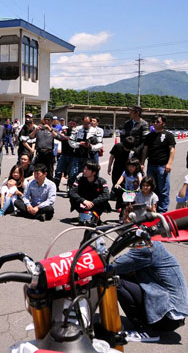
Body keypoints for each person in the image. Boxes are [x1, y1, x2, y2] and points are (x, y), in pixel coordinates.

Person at [113, 196, 188, 340]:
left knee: (114, 279)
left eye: (126, 221)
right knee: (125, 276)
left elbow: (114, 266)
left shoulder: (147, 247)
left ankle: (148, 331)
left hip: (169, 313)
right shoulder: (148, 242)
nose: (122, 223)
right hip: (172, 312)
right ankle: (146, 323)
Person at [141, 114, 175, 213]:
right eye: (153, 121)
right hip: (151, 165)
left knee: (163, 190)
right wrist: (142, 162)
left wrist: (169, 163)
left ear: (163, 123)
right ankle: (152, 209)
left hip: (162, 166)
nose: (155, 123)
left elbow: (172, 150)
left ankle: (163, 211)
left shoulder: (168, 135)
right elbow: (145, 149)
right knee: (151, 188)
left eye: (157, 122)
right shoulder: (150, 136)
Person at [68, 160, 111, 226]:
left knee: (104, 201)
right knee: (72, 198)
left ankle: (96, 216)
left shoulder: (101, 181)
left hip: (95, 204)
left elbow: (106, 195)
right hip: (83, 203)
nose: (84, 171)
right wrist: (83, 201)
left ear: (94, 172)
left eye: (87, 169)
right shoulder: (79, 180)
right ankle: (82, 214)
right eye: (84, 169)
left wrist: (93, 203)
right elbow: (72, 192)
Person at [68, 116, 103, 181]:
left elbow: (100, 144)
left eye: (88, 123)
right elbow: (70, 141)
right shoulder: (76, 129)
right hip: (78, 154)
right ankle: (71, 186)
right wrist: (79, 144)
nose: (86, 125)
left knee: (92, 172)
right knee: (73, 172)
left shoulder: (96, 131)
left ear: (90, 122)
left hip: (90, 155)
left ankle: (93, 186)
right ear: (82, 121)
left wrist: (91, 147)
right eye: (84, 123)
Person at [53, 118, 76, 190]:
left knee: (71, 173)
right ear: (68, 123)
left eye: (74, 123)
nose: (72, 124)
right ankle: (56, 187)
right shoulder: (64, 130)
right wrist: (65, 137)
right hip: (64, 154)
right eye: (70, 122)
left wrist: (65, 137)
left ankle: (69, 189)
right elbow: (59, 137)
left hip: (73, 155)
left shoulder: (77, 132)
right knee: (58, 171)